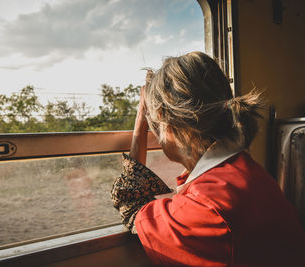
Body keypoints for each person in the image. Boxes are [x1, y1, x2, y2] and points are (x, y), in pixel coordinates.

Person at [111, 51, 305, 266]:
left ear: (165, 121)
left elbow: (130, 201)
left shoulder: (205, 208)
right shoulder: (249, 171)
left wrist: (140, 125)